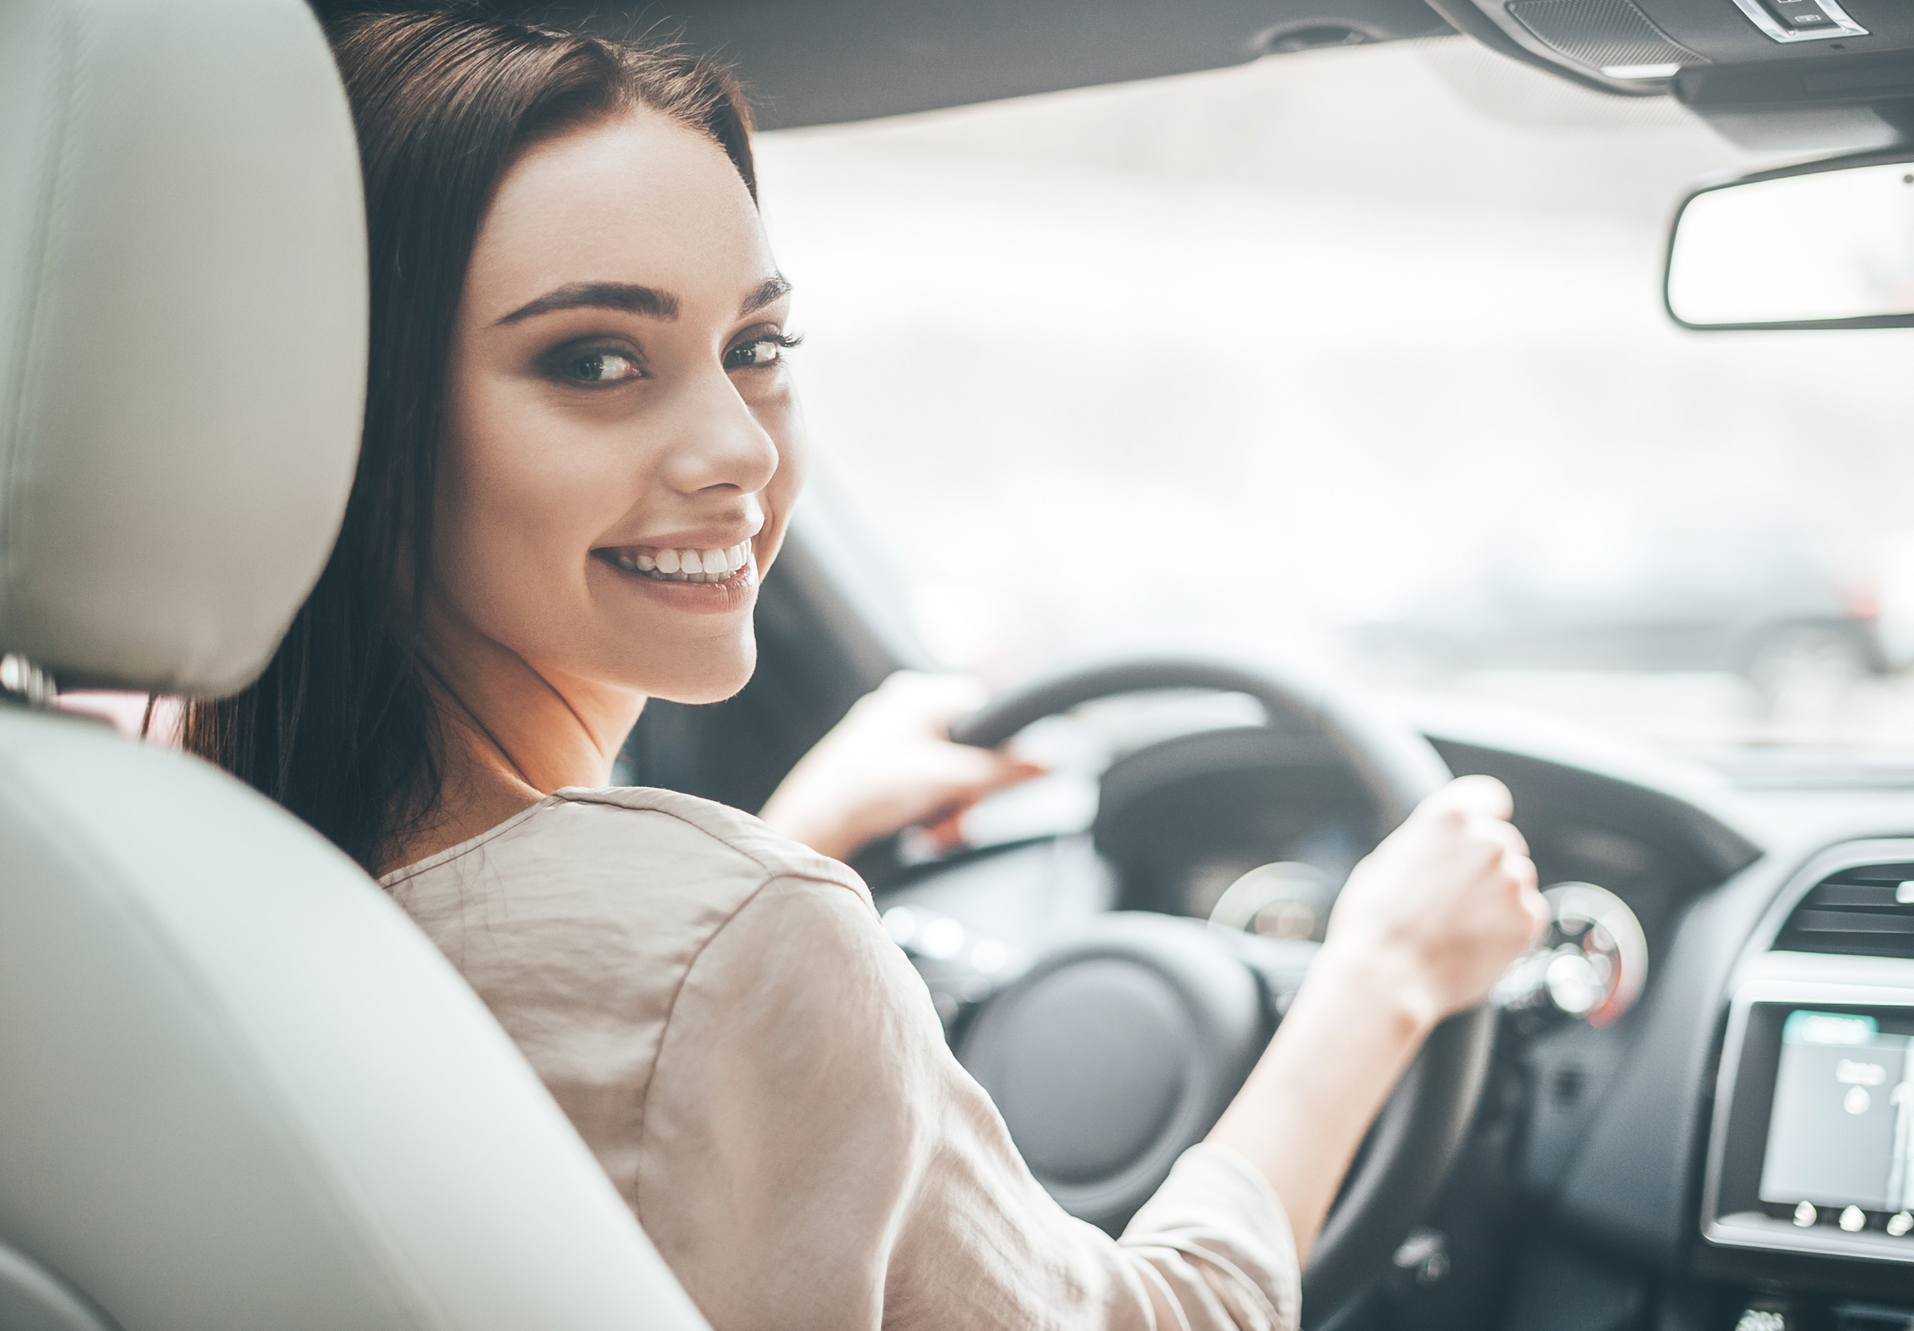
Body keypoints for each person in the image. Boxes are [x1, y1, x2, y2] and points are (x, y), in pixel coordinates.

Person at [187, 13, 1547, 1329]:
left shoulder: (177, 860)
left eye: (757, 347)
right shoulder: (750, 938)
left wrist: (805, 830)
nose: (742, 448)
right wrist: (1383, 981)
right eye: (594, 359)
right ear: (353, 417)